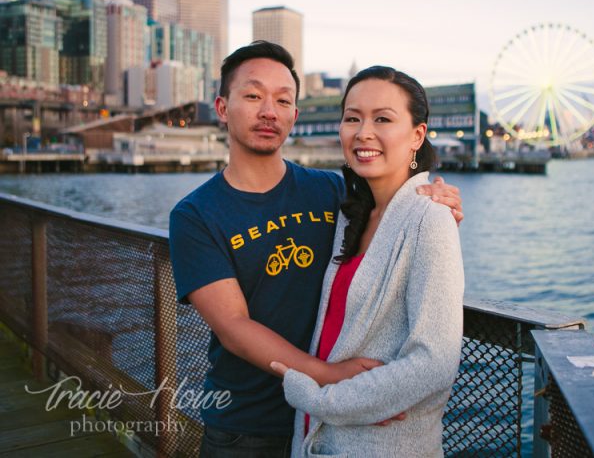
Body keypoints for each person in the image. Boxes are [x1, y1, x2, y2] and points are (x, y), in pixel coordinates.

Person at [168, 42, 462, 457]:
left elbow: (393, 199)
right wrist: (328, 377)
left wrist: (439, 196)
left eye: (283, 100)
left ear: (294, 115)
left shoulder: (332, 192)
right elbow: (233, 326)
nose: (269, 110)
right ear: (221, 107)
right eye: (253, 96)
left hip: (329, 425)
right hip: (247, 422)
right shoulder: (195, 215)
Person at [271, 66, 465, 457]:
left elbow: (435, 361)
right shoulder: (351, 212)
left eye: (383, 119)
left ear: (417, 136)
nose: (363, 132)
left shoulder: (429, 216)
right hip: (316, 440)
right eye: (352, 118)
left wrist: (320, 397)